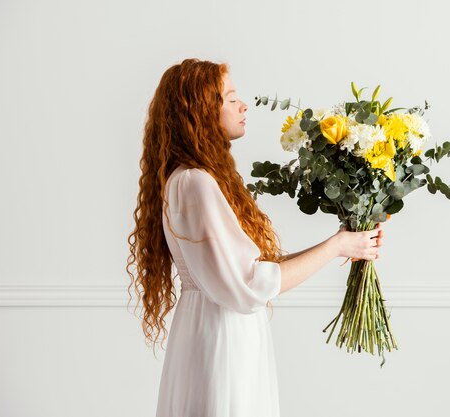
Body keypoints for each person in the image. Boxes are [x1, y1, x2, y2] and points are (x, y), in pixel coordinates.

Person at [126, 58, 384, 417]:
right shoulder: (196, 183)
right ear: (200, 111)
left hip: (211, 329)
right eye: (230, 98)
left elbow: (253, 267)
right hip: (222, 339)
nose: (243, 105)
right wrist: (337, 246)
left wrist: (343, 241)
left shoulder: (189, 179)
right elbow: (251, 284)